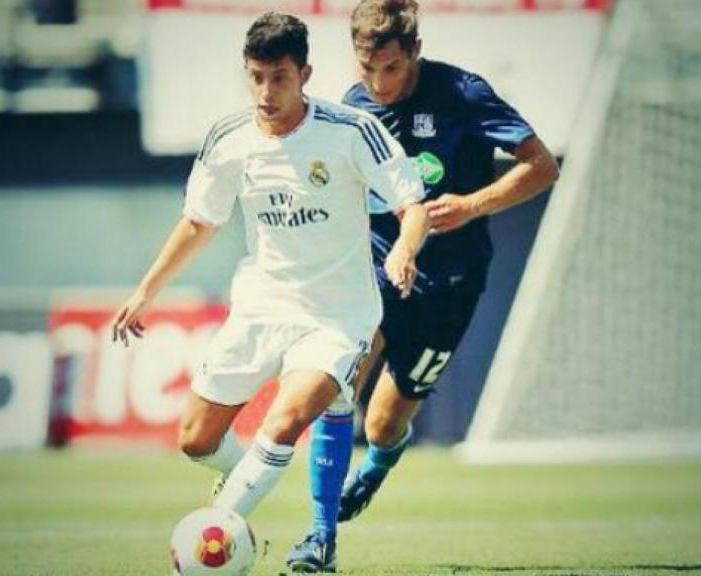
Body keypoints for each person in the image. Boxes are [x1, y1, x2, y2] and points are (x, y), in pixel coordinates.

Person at [111, 11, 429, 522]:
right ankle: (251, 483)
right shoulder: (230, 139)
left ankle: (220, 529)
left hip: (337, 316)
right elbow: (198, 222)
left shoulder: (352, 130)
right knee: (195, 440)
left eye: (278, 77)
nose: (265, 91)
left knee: (282, 423)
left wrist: (404, 248)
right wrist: (146, 291)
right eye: (255, 77)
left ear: (304, 74)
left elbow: (412, 204)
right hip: (260, 308)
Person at [286, 0, 560, 570]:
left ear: (414, 52)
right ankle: (319, 537)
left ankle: (377, 467)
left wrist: (472, 205)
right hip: (378, 267)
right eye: (368, 70)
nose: (379, 84)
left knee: (384, 423)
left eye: (391, 68)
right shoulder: (355, 105)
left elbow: (541, 165)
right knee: (338, 385)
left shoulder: (464, 93)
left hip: (450, 282)